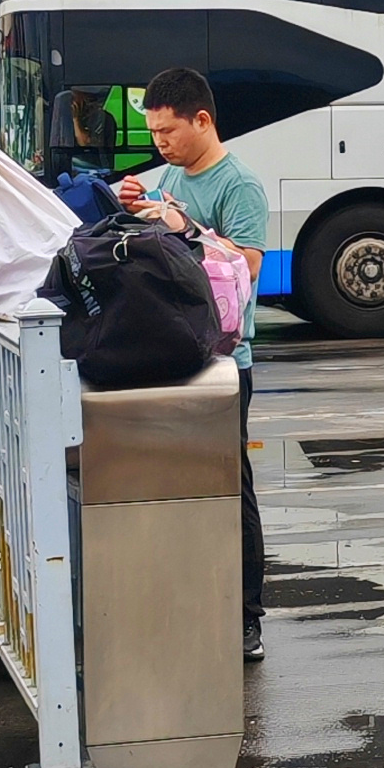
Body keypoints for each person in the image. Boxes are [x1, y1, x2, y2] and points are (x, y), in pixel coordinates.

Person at [116, 65, 274, 662]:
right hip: (174, 355)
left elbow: (248, 267)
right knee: (179, 488)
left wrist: (185, 225)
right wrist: (135, 203)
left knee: (232, 487)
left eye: (168, 131)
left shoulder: (239, 186)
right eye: (154, 133)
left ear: (202, 120)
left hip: (228, 361)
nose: (160, 143)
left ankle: (246, 617)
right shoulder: (166, 179)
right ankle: (190, 607)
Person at [47, 89, 122, 224]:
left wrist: (76, 120)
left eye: (75, 97)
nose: (73, 101)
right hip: (78, 171)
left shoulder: (101, 117)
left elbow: (86, 142)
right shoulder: (78, 118)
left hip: (96, 170)